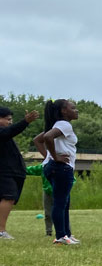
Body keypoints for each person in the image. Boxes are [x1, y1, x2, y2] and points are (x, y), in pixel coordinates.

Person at [33, 99, 80, 245]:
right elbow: (47, 138)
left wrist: (49, 157)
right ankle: (60, 236)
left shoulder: (58, 125)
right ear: (64, 111)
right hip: (61, 168)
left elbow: (37, 140)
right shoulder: (64, 124)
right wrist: (55, 157)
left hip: (54, 167)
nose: (76, 110)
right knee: (60, 203)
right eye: (73, 107)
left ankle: (67, 234)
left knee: (64, 202)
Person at [0, 106, 40, 240]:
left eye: (11, 119)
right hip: (5, 173)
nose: (10, 122)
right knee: (8, 196)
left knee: (8, 198)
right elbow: (11, 131)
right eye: (8, 119)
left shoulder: (6, 134)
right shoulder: (3, 133)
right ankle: (1, 231)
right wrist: (25, 122)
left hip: (12, 172)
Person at [24, 162, 54, 236]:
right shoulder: (43, 167)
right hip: (47, 191)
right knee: (48, 213)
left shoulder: (63, 167)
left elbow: (71, 179)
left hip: (60, 192)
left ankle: (65, 232)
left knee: (62, 213)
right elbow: (30, 170)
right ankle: (48, 231)